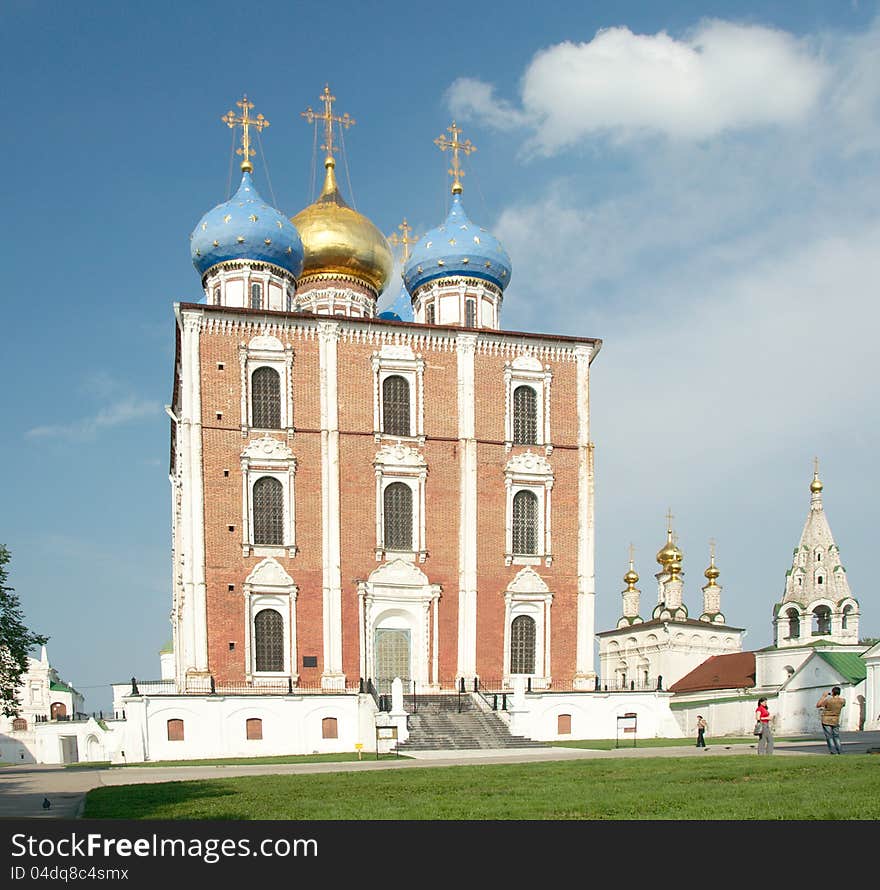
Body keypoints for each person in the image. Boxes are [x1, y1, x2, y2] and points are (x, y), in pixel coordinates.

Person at [816, 686, 845, 754]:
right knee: (836, 736)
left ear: (833, 692)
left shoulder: (828, 700)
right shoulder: (843, 700)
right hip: (835, 719)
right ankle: (839, 750)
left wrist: (823, 696)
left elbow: (818, 705)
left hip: (826, 719)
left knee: (829, 736)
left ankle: (833, 751)